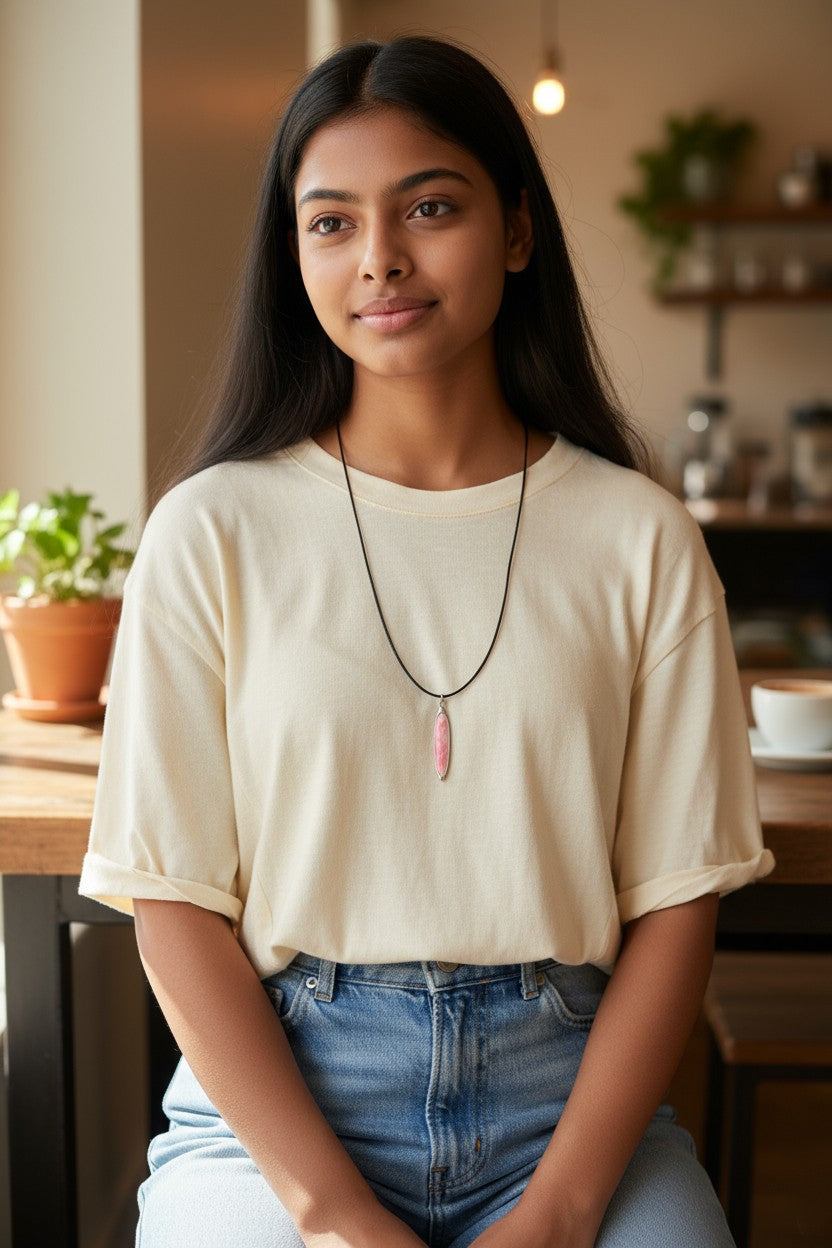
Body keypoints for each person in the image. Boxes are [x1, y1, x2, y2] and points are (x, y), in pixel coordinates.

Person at [79, 35, 773, 1248]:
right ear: (292, 255)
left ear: (516, 229)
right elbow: (172, 899)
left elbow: (675, 903)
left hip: (566, 1108)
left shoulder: (640, 538)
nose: (381, 259)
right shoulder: (213, 530)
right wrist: (334, 1214)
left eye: (430, 208)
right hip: (277, 1114)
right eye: (331, 223)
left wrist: (559, 1213)